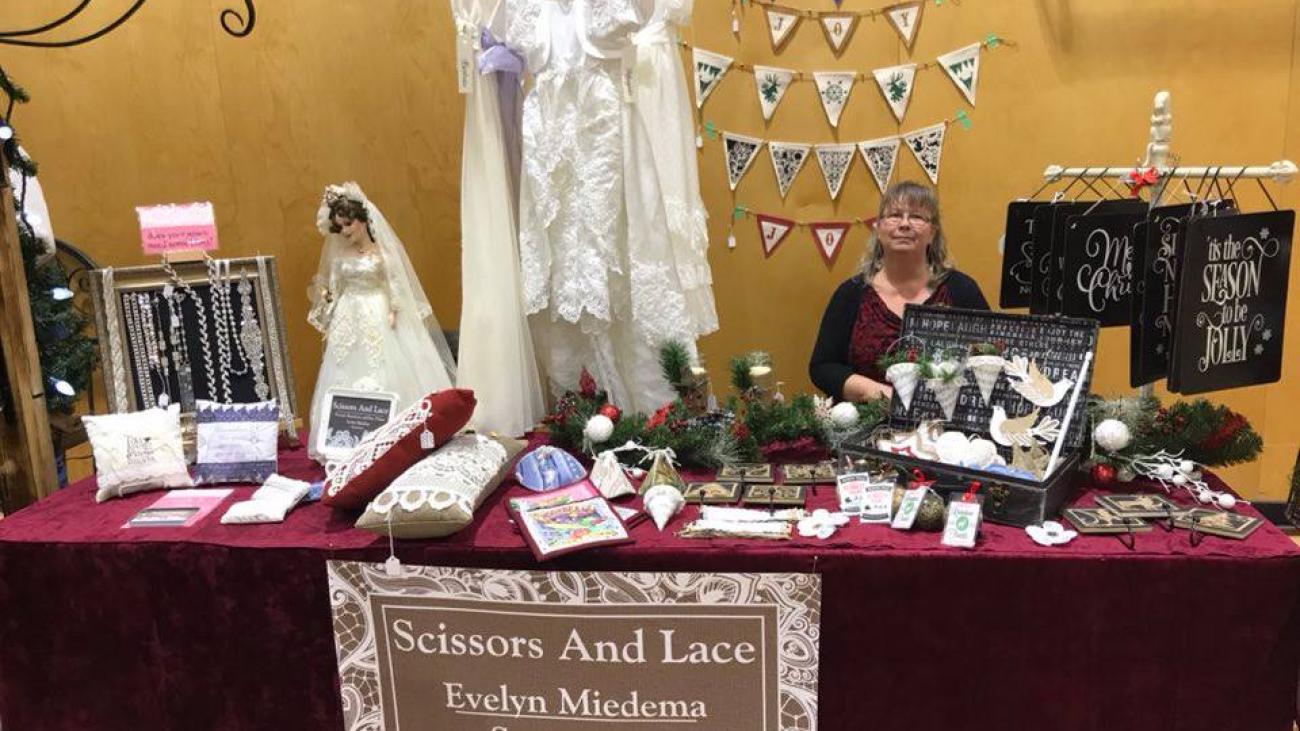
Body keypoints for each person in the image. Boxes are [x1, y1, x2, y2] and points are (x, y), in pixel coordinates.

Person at [306, 182, 457, 462]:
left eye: (349, 223)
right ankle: (347, 438)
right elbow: (335, 287)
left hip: (376, 310)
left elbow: (395, 286)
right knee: (344, 366)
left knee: (385, 365)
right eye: (341, 227)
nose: (346, 231)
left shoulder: (383, 254)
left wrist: (394, 309)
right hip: (348, 316)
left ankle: (393, 437)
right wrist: (328, 302)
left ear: (364, 220)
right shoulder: (341, 257)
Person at [809, 181, 989, 402]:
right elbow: (823, 366)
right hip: (866, 424)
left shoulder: (961, 290)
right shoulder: (851, 294)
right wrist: (877, 393)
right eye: (894, 215)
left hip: (945, 426)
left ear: (932, 233)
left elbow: (990, 356)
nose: (904, 224)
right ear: (878, 227)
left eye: (917, 217)